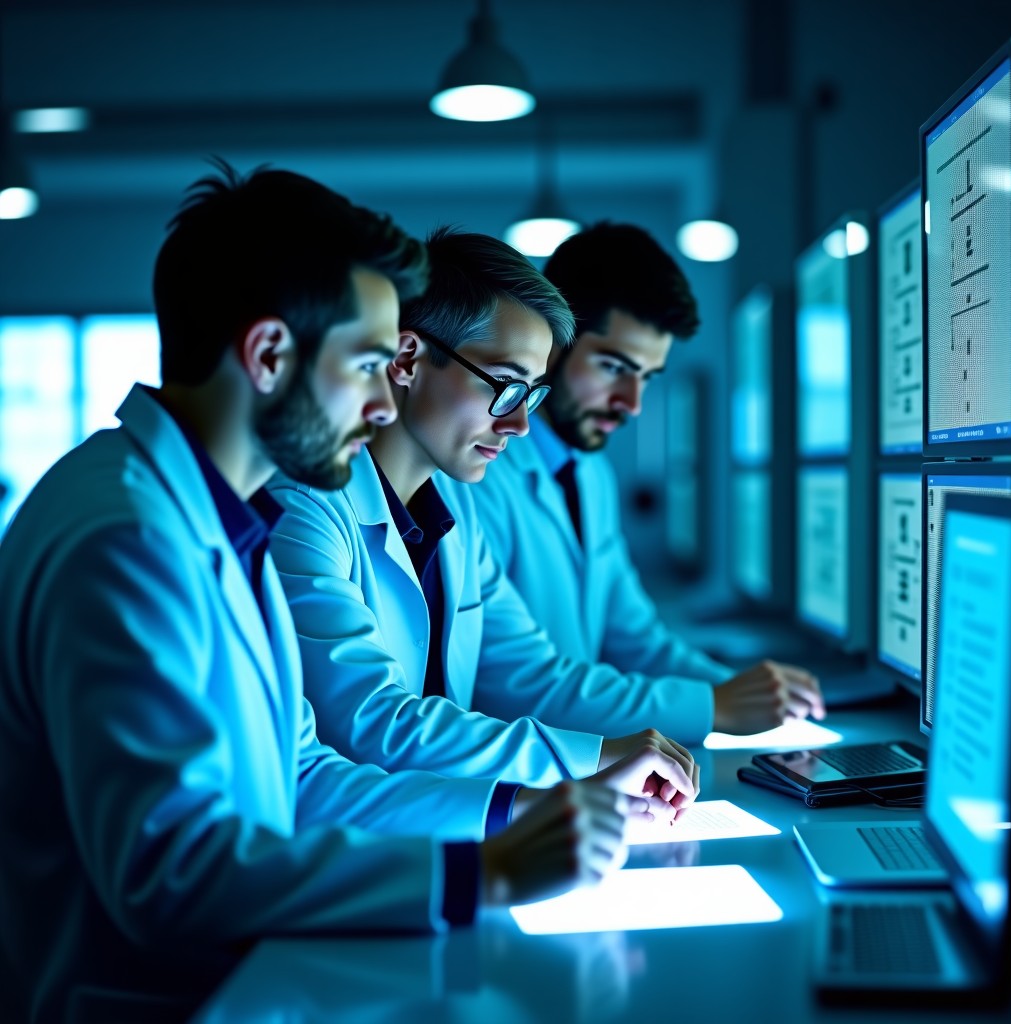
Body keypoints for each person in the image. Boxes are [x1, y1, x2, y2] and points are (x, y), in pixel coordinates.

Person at [0, 170, 698, 1023]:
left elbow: (304, 779)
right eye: (369, 364)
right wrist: (485, 873)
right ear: (268, 356)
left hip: (257, 978)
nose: (380, 404)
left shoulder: (219, 516)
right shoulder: (128, 537)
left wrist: (518, 813)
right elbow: (169, 873)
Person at [268, 226, 734, 790]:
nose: (519, 424)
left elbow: (523, 668)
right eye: (506, 386)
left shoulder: (456, 510)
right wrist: (595, 758)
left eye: (532, 394)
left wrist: (603, 757)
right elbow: (372, 722)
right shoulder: (305, 508)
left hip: (447, 816)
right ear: (409, 358)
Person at [472, 222, 826, 736]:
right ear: (553, 343)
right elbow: (516, 684)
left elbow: (636, 641)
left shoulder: (590, 474)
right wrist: (715, 706)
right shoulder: (479, 471)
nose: (631, 404)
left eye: (646, 377)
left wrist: (745, 693)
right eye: (614, 367)